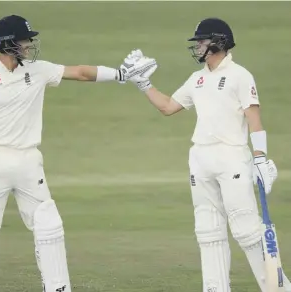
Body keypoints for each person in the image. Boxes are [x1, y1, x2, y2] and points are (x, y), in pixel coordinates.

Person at [0, 15, 154, 292]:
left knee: (48, 223)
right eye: (24, 40)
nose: (29, 45)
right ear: (8, 44)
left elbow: (80, 72)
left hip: (29, 162)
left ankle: (58, 288)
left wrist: (122, 74)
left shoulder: (38, 70)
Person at [121, 18, 291, 292]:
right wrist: (143, 84)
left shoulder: (240, 75)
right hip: (200, 160)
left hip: (232, 158)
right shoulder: (197, 79)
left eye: (201, 41)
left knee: (247, 231)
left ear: (219, 42)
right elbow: (168, 107)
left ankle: (277, 288)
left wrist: (260, 158)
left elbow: (254, 119)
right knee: (208, 231)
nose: (197, 46)